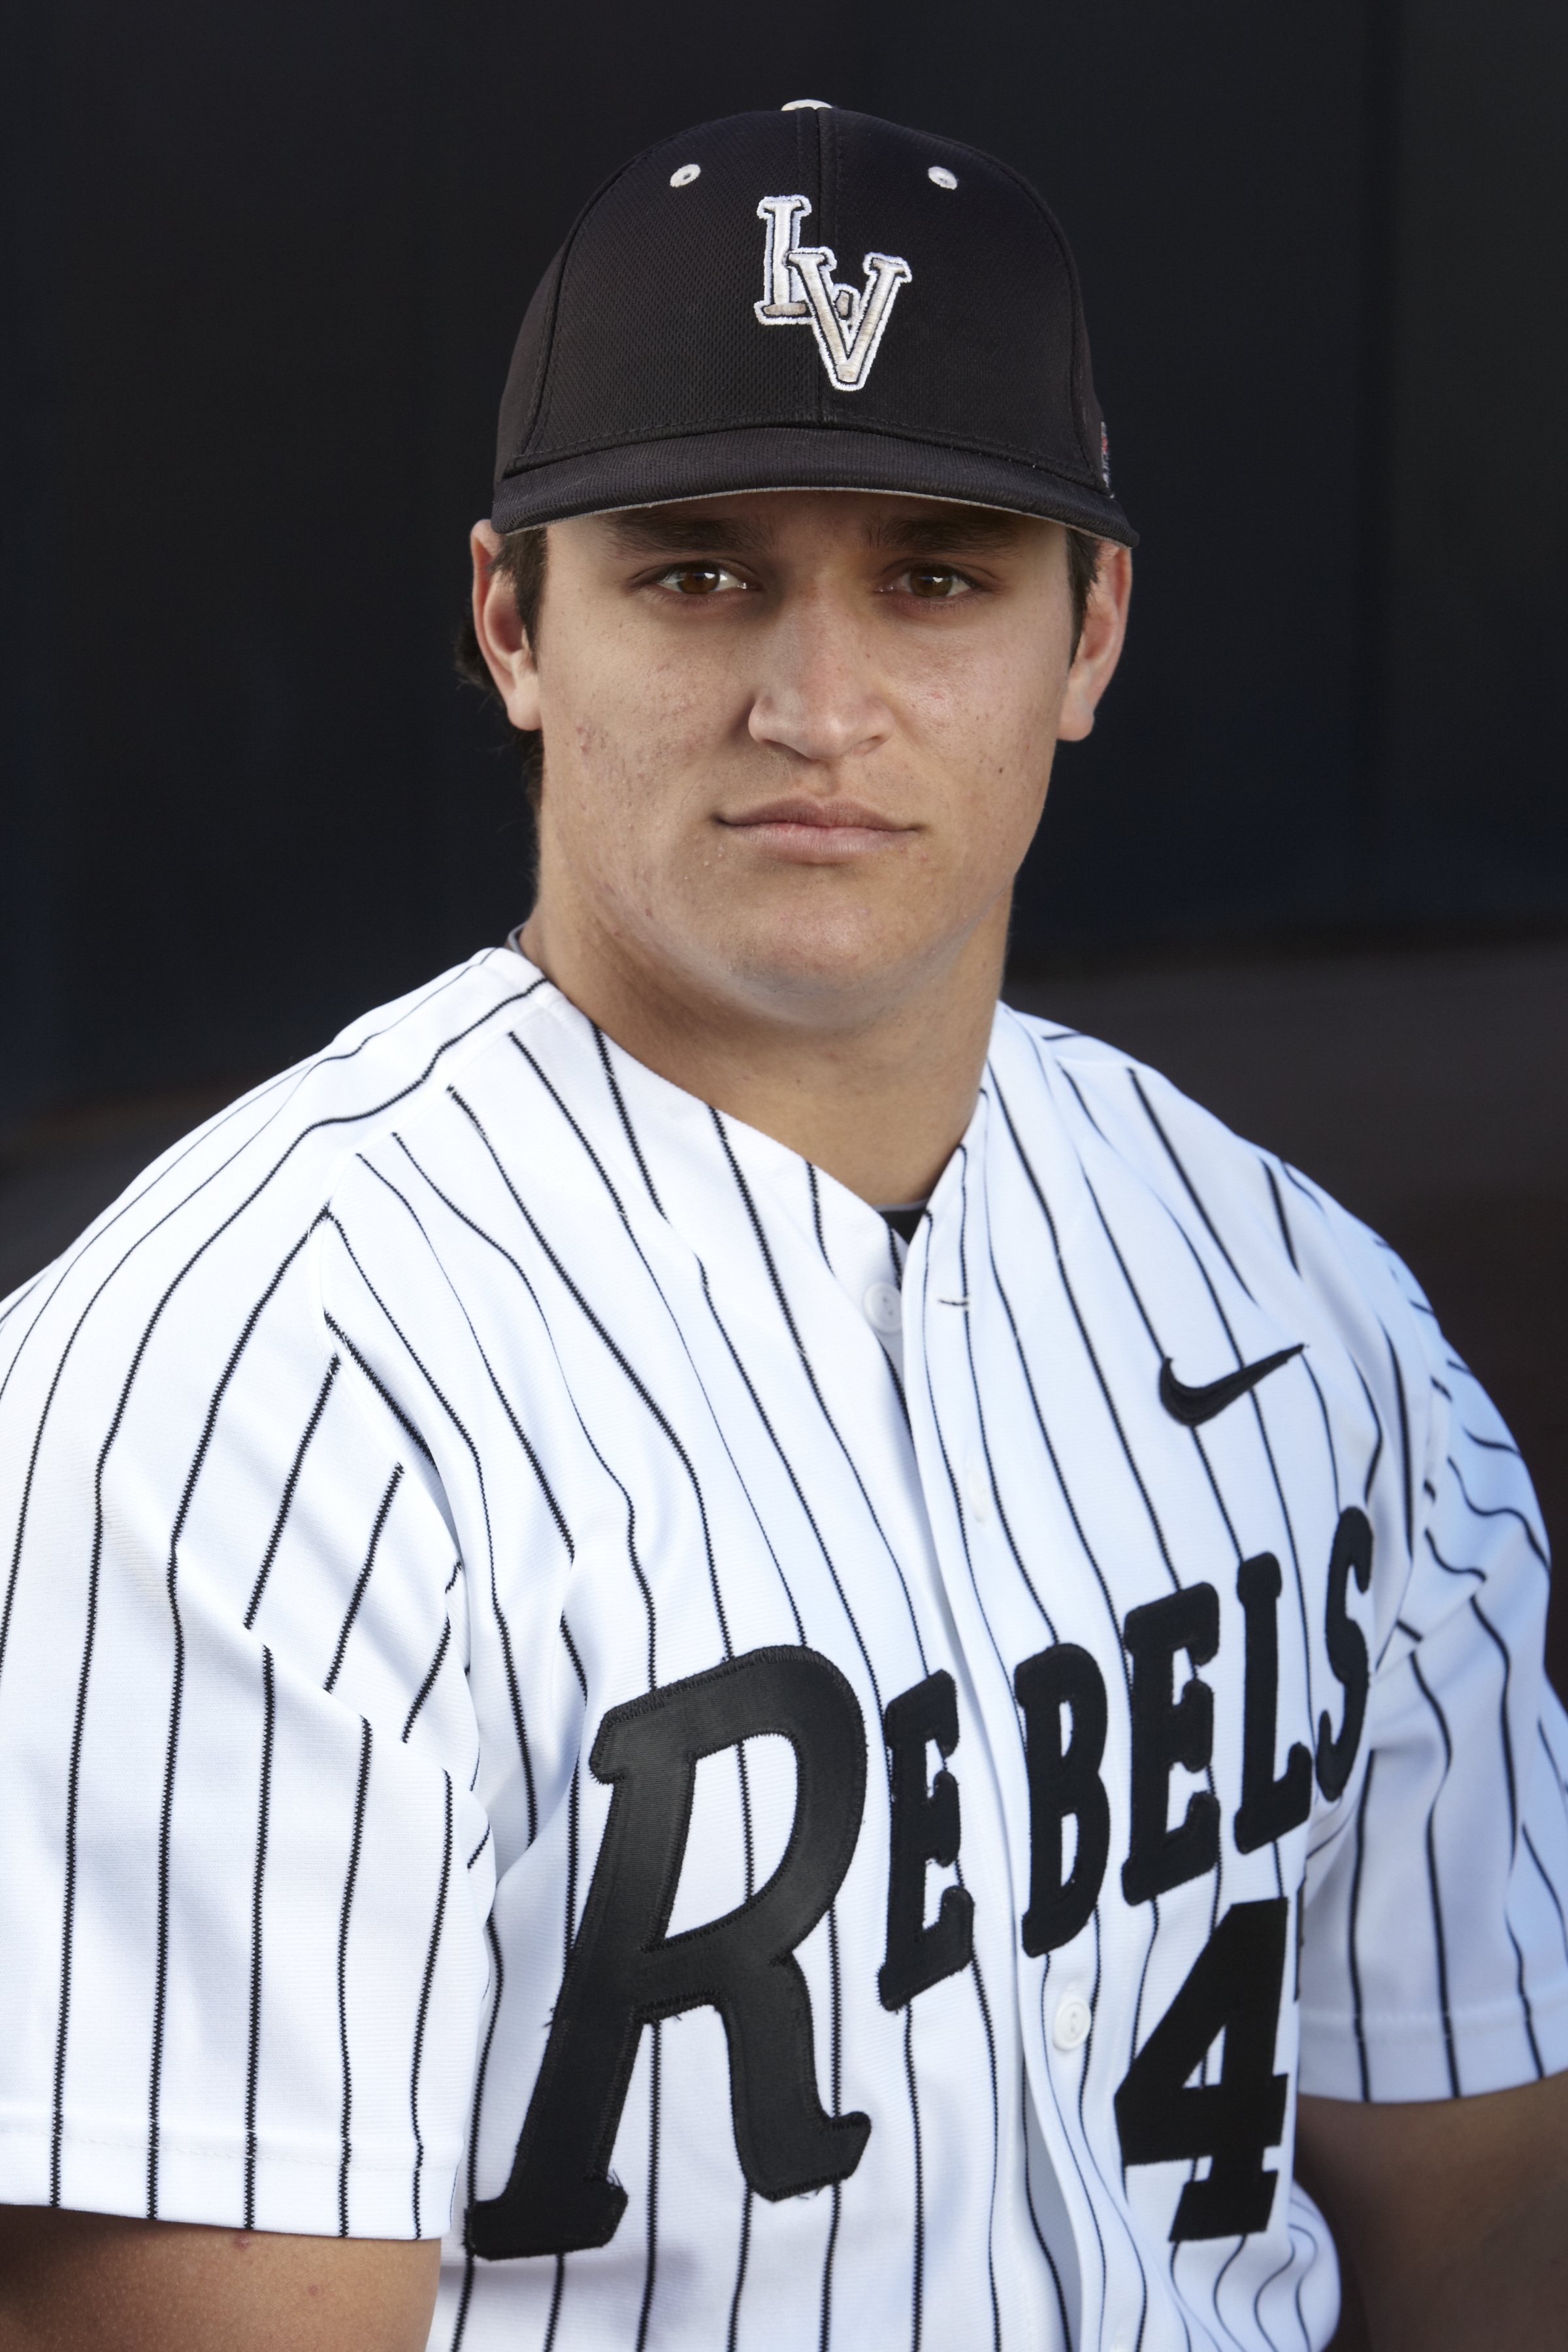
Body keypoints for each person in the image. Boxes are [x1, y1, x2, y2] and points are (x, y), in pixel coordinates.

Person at [0, 99, 1564, 2352]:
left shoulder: (1315, 1315)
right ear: (513, 623)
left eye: (936, 577)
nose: (816, 709)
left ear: (1091, 635)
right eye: (698, 573)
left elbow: (1491, 2204)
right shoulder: (238, 1406)